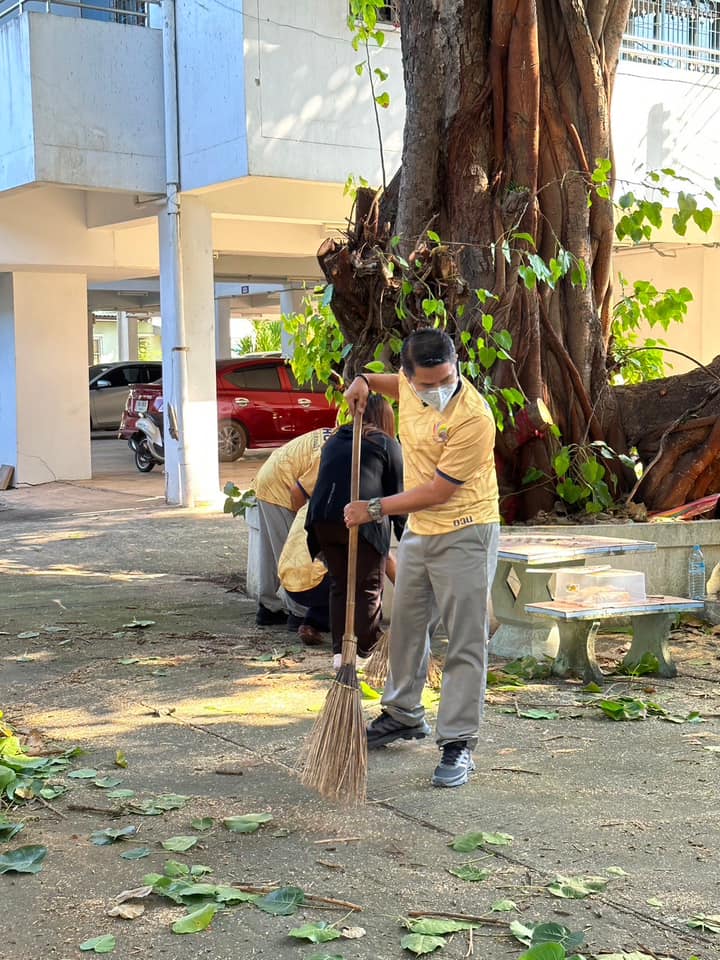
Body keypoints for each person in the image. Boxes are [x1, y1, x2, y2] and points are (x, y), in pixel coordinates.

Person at [343, 328, 500, 788]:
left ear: (457, 367)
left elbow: (438, 491)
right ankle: (403, 713)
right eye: (426, 383)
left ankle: (458, 743)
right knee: (407, 630)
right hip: (419, 534)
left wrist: (372, 509)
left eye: (446, 379)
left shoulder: (474, 417)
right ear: (410, 376)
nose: (437, 389)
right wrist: (361, 381)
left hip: (466, 532)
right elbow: (380, 382)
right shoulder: (410, 389)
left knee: (465, 642)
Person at [306, 394, 404, 670]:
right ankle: (366, 651)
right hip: (360, 518)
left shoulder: (335, 439)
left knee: (340, 584)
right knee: (369, 586)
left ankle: (340, 653)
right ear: (387, 418)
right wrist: (404, 533)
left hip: (323, 518)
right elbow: (396, 496)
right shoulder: (387, 444)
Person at [253, 426, 332, 629]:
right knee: (293, 555)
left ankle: (269, 608)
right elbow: (299, 491)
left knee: (272, 553)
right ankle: (299, 614)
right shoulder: (336, 452)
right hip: (283, 487)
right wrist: (301, 523)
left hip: (269, 477)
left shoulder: (337, 436)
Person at [277, 503, 330, 645]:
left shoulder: (310, 504)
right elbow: (385, 559)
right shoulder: (352, 507)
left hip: (288, 581)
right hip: (319, 582)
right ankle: (367, 631)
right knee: (367, 569)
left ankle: (310, 624)